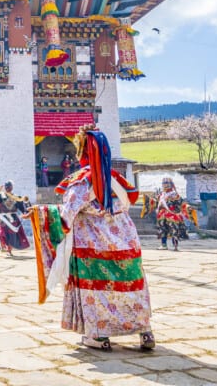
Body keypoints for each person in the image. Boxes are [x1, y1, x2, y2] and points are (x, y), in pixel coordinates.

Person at [32, 124, 154, 351]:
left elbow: (66, 216)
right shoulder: (117, 181)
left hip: (93, 244)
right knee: (131, 285)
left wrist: (40, 213)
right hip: (126, 242)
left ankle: (98, 335)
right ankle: (144, 330)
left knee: (98, 289)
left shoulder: (81, 181)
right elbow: (128, 203)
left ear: (82, 151)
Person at [0, 180, 30, 256]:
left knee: (12, 235)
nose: (8, 188)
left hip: (13, 218)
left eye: (9, 186)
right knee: (2, 233)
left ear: (12, 187)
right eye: (7, 187)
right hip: (3, 217)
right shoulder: (0, 195)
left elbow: (22, 207)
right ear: (5, 187)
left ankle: (9, 250)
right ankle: (3, 247)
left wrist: (26, 211)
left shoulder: (16, 197)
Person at [156, 177, 190, 251]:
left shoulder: (174, 194)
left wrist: (186, 208)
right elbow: (157, 204)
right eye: (164, 183)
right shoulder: (161, 194)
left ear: (171, 184)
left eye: (167, 183)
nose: (165, 185)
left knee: (174, 230)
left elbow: (181, 204)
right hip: (162, 215)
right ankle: (163, 245)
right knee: (162, 230)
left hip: (172, 215)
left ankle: (175, 245)